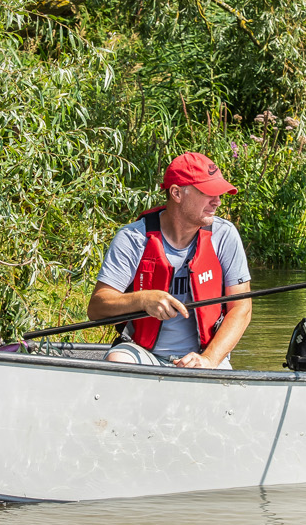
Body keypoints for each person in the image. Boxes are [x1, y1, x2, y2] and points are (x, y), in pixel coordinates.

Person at [89, 152, 253, 368]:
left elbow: (241, 309)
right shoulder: (132, 238)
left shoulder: (225, 235)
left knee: (215, 373)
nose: (218, 201)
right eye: (208, 193)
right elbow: (96, 307)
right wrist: (142, 300)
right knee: (117, 360)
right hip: (143, 353)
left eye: (219, 194)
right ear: (176, 193)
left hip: (204, 355)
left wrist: (209, 359)